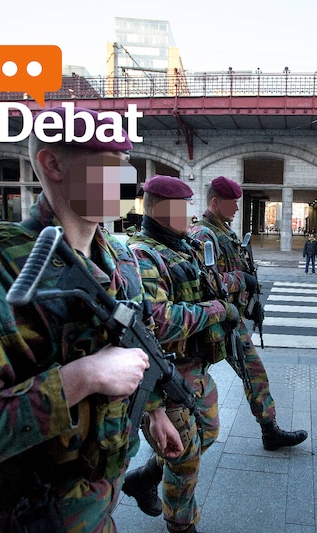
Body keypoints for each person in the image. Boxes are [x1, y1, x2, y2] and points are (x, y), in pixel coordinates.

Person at [0, 107, 183, 532]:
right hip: (42, 516)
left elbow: (138, 345)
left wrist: (154, 411)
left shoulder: (122, 258)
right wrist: (81, 378)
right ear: (53, 164)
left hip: (105, 497)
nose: (126, 181)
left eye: (126, 164)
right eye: (109, 165)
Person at [123, 175, 239, 533]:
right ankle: (181, 524)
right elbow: (159, 321)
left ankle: (144, 477)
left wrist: (235, 286)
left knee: (208, 433)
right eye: (181, 207)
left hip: (195, 369)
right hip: (163, 377)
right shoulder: (143, 255)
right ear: (159, 209)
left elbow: (209, 282)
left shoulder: (182, 245)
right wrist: (216, 310)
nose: (189, 213)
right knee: (185, 458)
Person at [188, 176, 308, 450]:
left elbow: (235, 269)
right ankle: (162, 452)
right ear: (215, 202)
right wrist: (242, 280)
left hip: (229, 319)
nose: (237, 209)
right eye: (232, 203)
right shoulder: (203, 235)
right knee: (188, 383)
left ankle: (270, 430)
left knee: (254, 372)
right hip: (210, 322)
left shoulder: (224, 232)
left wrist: (250, 305)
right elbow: (205, 280)